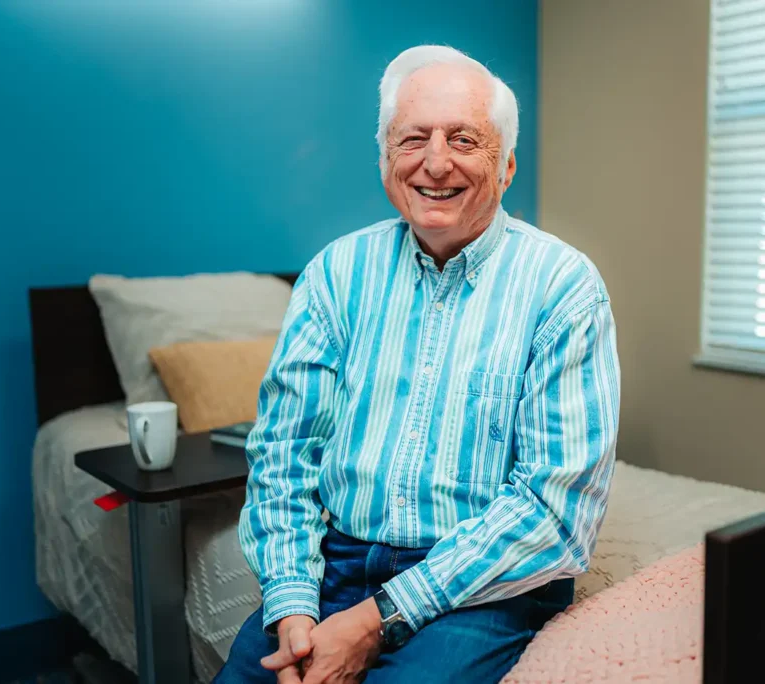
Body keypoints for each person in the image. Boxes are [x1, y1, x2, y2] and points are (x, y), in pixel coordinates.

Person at [214, 44, 620, 684]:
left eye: (464, 139)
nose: (436, 162)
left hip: (488, 583)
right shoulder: (334, 275)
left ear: (507, 164)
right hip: (338, 562)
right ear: (384, 161)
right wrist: (292, 604)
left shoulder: (563, 287)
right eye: (413, 140)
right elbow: (285, 455)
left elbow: (553, 510)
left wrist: (376, 619)